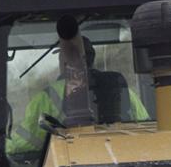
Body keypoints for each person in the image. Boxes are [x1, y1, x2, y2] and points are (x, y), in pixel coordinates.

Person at [8, 36, 149, 158]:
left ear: (65, 61)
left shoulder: (47, 97)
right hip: (121, 157)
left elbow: (24, 145)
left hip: (67, 164)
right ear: (92, 59)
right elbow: (146, 126)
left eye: (61, 56)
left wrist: (5, 145)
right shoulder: (123, 90)